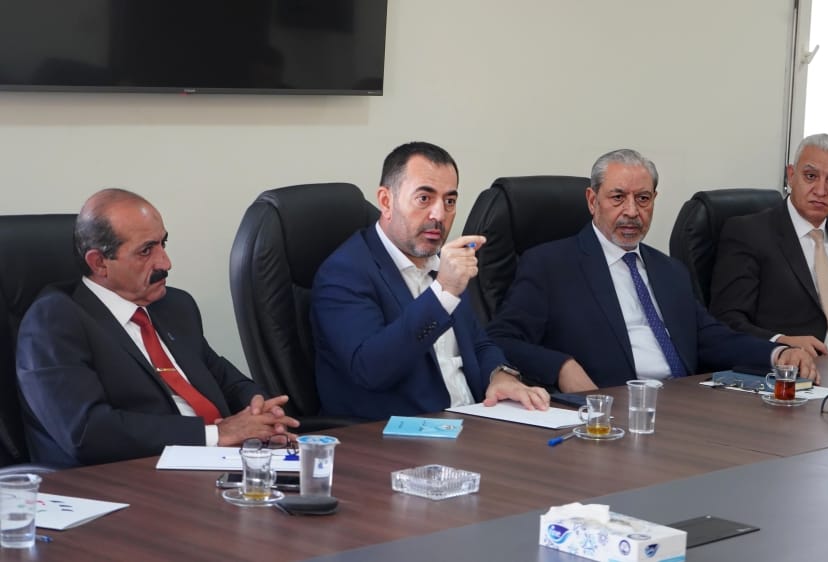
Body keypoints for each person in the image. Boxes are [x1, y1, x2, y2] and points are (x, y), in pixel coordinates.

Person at [487, 149, 817, 392]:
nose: (632, 211)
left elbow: (710, 338)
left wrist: (777, 354)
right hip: (612, 409)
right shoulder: (550, 265)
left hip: (684, 403)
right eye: (618, 197)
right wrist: (561, 366)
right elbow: (502, 338)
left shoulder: (669, 270)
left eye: (643, 198)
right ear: (592, 200)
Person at [17, 189, 298, 468]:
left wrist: (261, 411)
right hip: (130, 477)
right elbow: (86, 433)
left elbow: (227, 381)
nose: (165, 263)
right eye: (146, 251)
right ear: (99, 263)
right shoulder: (54, 321)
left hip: (218, 465)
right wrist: (216, 435)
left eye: (163, 243)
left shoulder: (175, 306)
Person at [311, 141, 550, 420]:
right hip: (398, 433)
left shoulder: (441, 263)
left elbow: (477, 343)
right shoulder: (345, 272)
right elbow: (370, 369)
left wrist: (501, 376)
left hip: (474, 422)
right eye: (424, 198)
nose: (439, 215)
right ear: (386, 201)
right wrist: (442, 293)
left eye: (449, 201)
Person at [710, 133, 828, 356]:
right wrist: (781, 343)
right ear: (791, 176)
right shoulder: (750, 233)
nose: (821, 191)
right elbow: (727, 320)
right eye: (811, 176)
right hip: (800, 365)